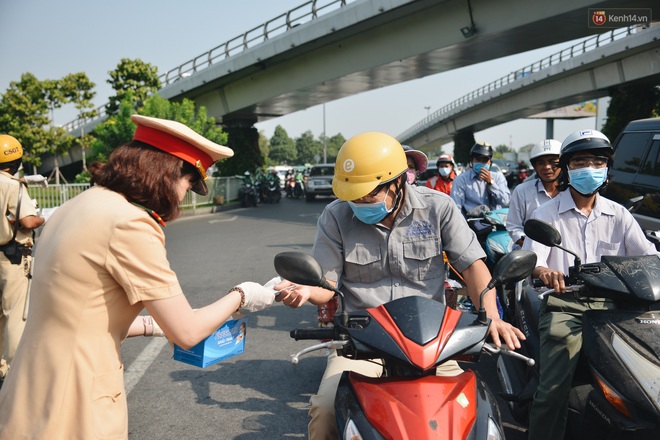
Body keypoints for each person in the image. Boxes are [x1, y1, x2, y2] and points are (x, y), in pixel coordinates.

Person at [0, 115, 279, 439]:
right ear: (168, 173)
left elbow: (77, 316)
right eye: (188, 185)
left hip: (27, 398)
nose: (182, 197)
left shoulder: (77, 204)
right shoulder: (130, 223)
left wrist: (150, 325)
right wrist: (243, 295)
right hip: (75, 408)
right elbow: (187, 333)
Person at [274, 132, 525, 440]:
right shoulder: (336, 215)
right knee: (326, 412)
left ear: (397, 182)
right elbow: (325, 283)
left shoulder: (438, 208)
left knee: (474, 410)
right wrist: (304, 291)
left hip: (433, 343)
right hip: (362, 344)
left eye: (368, 195)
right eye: (352, 196)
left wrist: (493, 317)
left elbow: (473, 266)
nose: (359, 203)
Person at [522, 129, 659, 440]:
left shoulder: (620, 215)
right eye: (581, 161)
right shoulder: (546, 214)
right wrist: (545, 272)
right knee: (553, 390)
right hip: (565, 305)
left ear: (607, 169)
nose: (590, 168)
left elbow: (649, 257)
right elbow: (534, 260)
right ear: (567, 168)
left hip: (617, 306)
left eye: (597, 162)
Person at [0, 135, 45, 386]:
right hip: (11, 257)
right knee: (15, 315)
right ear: (16, 160)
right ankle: (17, 374)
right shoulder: (13, 187)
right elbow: (28, 222)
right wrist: (43, 218)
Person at [506, 139, 561, 248]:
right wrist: (532, 245)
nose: (547, 167)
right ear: (534, 166)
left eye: (553, 162)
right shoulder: (522, 191)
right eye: (541, 163)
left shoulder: (572, 191)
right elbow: (514, 227)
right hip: (530, 252)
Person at [450, 141, 510, 214]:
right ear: (472, 160)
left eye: (485, 160)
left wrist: (491, 183)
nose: (481, 163)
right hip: (471, 222)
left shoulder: (498, 178)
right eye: (478, 159)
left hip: (495, 222)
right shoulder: (461, 180)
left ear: (490, 162)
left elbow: (506, 202)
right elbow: (456, 208)